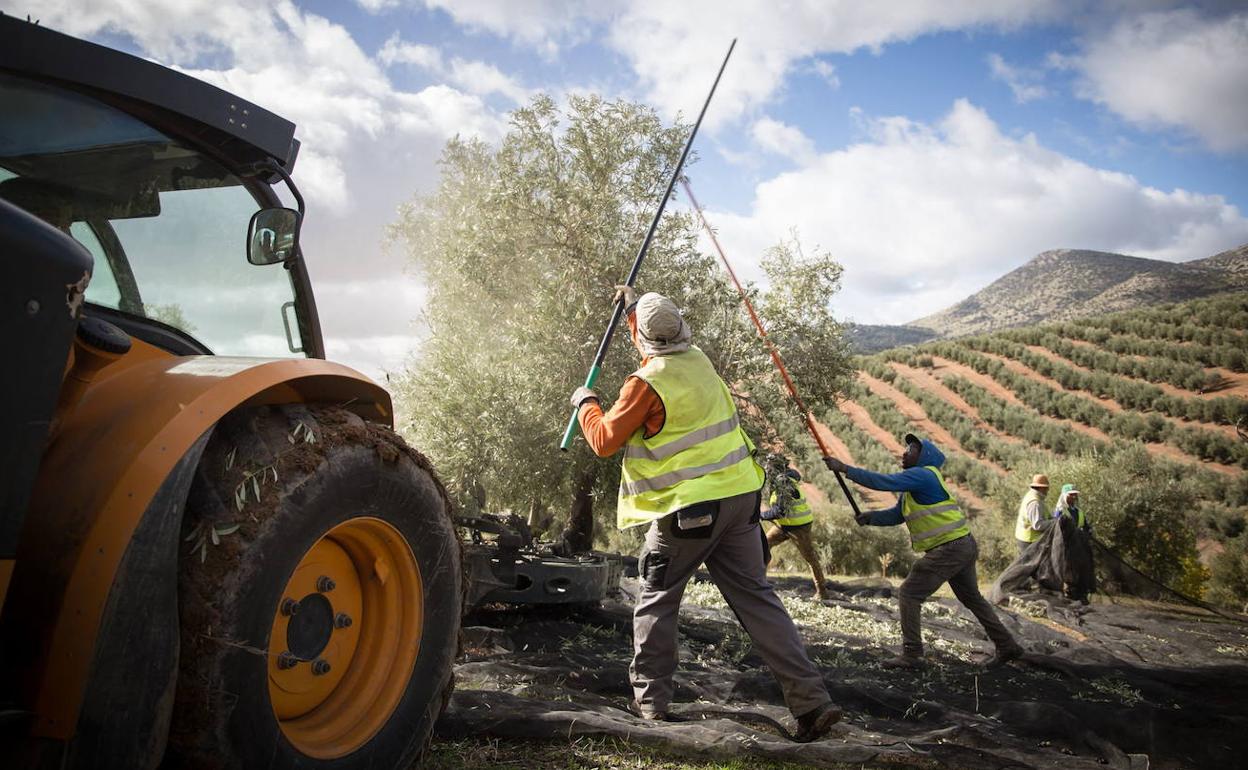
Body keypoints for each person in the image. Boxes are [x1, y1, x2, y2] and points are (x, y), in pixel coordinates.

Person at [571, 288, 843, 742]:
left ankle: (651, 706)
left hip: (690, 513)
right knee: (758, 599)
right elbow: (657, 336)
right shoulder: (699, 359)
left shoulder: (644, 384)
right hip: (741, 500)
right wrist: (634, 307)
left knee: (657, 599)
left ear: (643, 338)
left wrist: (585, 402)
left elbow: (603, 441)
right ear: (681, 328)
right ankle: (813, 703)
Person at [824, 435, 1024, 670]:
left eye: (911, 449)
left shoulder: (924, 475)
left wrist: (845, 469)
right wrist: (871, 518)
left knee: (909, 593)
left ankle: (912, 654)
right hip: (962, 545)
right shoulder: (914, 486)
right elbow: (897, 515)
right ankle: (1007, 645)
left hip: (949, 548)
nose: (904, 452)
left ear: (924, 456)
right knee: (972, 599)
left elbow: (884, 481)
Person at [760, 456, 831, 600]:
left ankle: (822, 592)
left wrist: (760, 516)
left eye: (769, 467)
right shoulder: (782, 480)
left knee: (810, 557)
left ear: (775, 468)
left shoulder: (783, 483)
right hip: (785, 524)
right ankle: (760, 583)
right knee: (764, 545)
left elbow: (779, 511)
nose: (766, 470)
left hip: (799, 526)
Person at [1015, 475, 1051, 554]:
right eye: (1046, 488)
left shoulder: (1032, 496)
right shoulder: (1035, 502)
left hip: (1027, 539)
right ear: (1041, 488)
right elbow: (1038, 525)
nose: (1047, 490)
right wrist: (1054, 522)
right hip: (1029, 541)